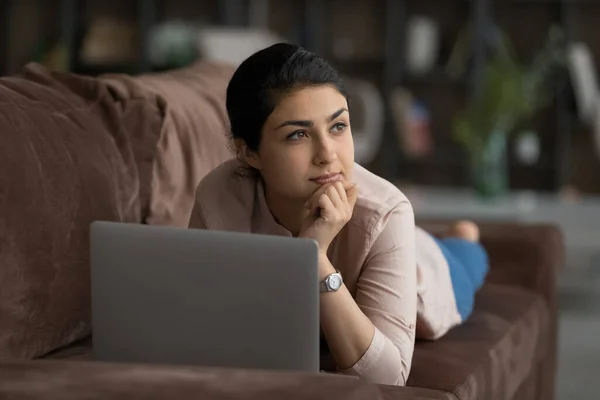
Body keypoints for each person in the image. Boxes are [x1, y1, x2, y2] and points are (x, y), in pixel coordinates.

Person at [188, 43, 488, 386]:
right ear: (249, 153)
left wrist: (313, 257)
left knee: (464, 263)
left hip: (427, 279)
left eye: (338, 126)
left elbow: (388, 379)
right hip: (383, 245)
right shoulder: (219, 195)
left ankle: (462, 238)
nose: (328, 154)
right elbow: (201, 318)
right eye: (298, 134)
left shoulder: (388, 211)